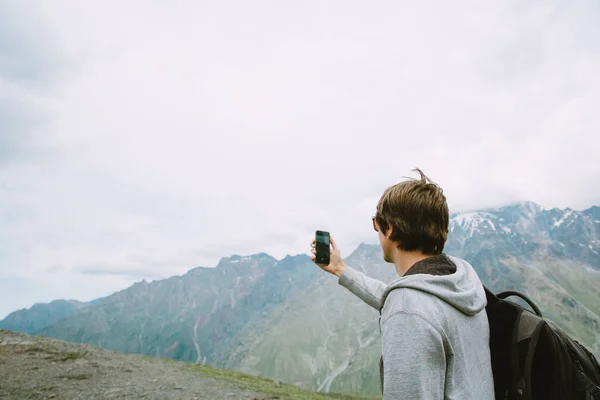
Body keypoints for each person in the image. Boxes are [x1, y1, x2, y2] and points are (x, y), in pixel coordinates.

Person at [310, 168, 494, 399]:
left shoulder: (409, 307)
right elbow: (395, 299)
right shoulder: (459, 281)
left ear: (390, 228)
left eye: (377, 225)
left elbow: (407, 308)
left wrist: (401, 304)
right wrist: (339, 269)